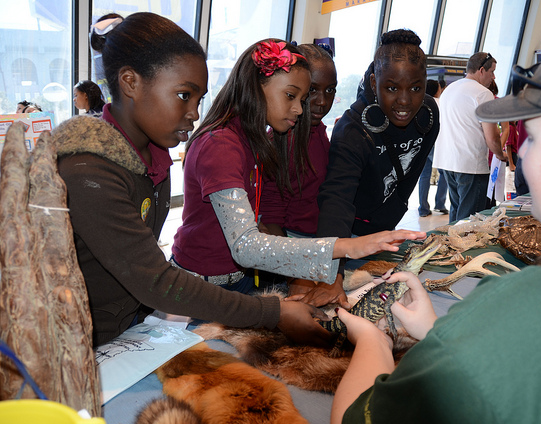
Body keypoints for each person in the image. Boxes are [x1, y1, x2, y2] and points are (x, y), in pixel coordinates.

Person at [331, 27, 541, 423]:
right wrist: (440, 331)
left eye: (534, 138)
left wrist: (373, 341)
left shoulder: (524, 303)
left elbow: (350, 418)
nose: (522, 154)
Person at [51, 12, 378, 348]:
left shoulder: (153, 157)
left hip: (131, 322)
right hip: (82, 342)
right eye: (183, 96)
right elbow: (158, 280)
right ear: (131, 82)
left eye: (198, 99)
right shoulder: (90, 174)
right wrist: (342, 249)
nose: (194, 113)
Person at [170, 39, 425, 302]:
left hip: (239, 280)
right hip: (201, 289)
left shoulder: (249, 140)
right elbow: (245, 246)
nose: (299, 108)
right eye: (291, 96)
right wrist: (347, 246)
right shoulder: (221, 145)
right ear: (255, 87)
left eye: (302, 99)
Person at [300, 29, 439, 309]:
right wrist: (331, 277)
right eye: (391, 88)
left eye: (415, 88)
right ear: (374, 82)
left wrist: (394, 209)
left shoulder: (429, 116)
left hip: (383, 232)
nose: (404, 100)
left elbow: (410, 174)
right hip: (342, 235)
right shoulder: (352, 130)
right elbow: (337, 201)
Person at [257, 43, 338, 299]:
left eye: (330, 90)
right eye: (312, 91)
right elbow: (270, 220)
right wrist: (296, 274)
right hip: (291, 249)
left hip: (315, 244)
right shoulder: (282, 139)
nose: (322, 101)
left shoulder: (319, 132)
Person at [432, 52, 506, 223]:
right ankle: (464, 250)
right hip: (470, 164)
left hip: (448, 162)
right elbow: (492, 137)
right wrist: (500, 155)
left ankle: (452, 247)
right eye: (492, 71)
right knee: (470, 221)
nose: (493, 77)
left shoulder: (449, 90)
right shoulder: (483, 93)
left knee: (456, 214)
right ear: (481, 70)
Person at [418, 79, 448, 216]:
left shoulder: (421, 103)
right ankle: (440, 204)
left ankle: (423, 208)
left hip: (424, 142)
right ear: (437, 90)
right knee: (444, 173)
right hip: (439, 143)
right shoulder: (441, 103)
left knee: (424, 175)